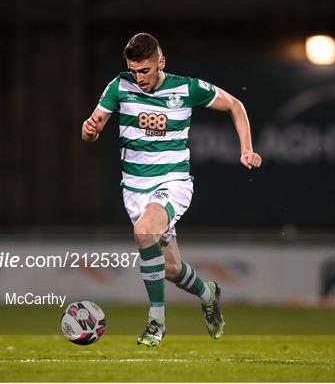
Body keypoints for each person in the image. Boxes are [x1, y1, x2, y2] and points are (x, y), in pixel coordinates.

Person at [81, 33, 262, 347]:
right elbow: (93, 129)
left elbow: (235, 105)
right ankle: (209, 296)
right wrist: (89, 132)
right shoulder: (118, 87)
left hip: (172, 183)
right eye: (134, 71)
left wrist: (246, 149)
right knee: (171, 268)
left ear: (160, 63)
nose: (140, 79)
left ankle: (156, 321)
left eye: (146, 71)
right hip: (134, 189)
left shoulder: (186, 88)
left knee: (144, 232)